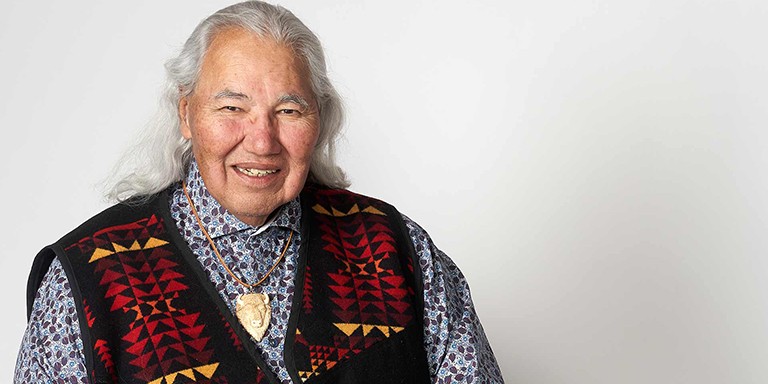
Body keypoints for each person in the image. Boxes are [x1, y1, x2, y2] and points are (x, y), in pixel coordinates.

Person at [15, 2, 503, 383]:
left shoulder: (399, 250)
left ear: (320, 120)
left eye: (289, 111)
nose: (262, 140)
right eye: (231, 107)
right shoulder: (86, 279)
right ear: (186, 114)